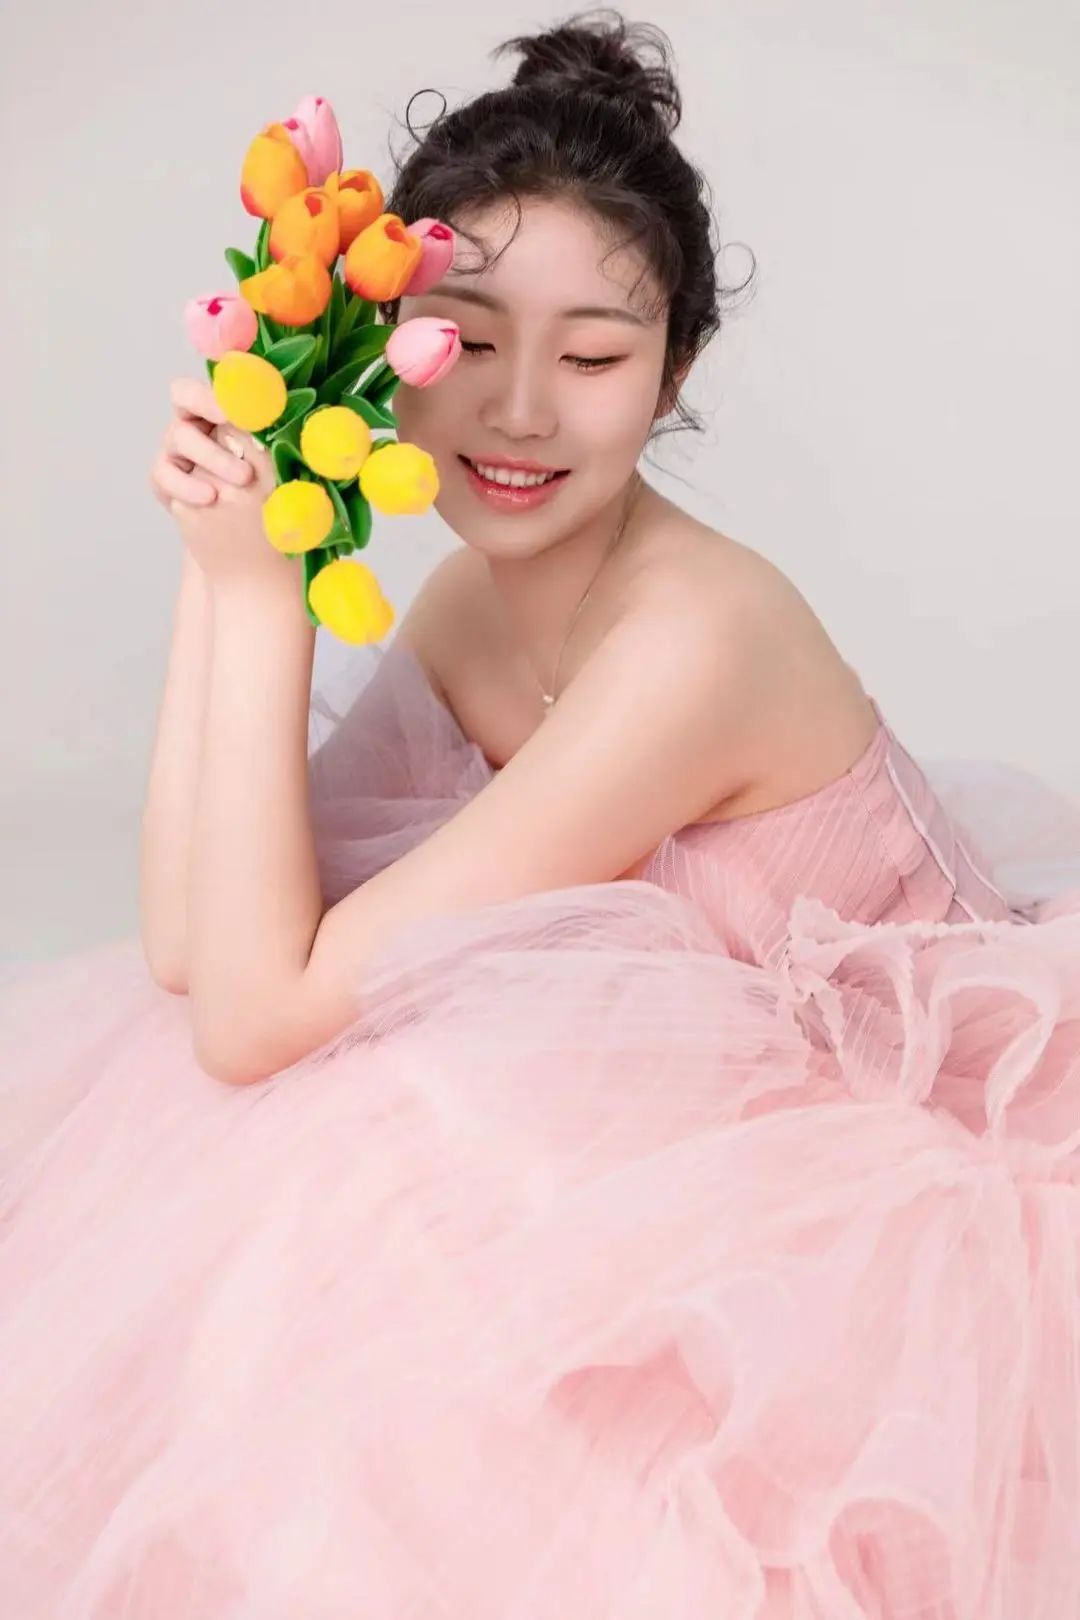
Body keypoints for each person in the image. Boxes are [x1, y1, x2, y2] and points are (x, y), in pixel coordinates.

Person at [2, 12, 1079, 1617]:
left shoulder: (694, 643)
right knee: (327, 1137)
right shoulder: (469, 607)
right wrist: (230, 567)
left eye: (590, 359)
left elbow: (257, 1014)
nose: (517, 415)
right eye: (467, 340)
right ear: (389, 345)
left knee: (377, 1149)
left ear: (673, 373)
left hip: (922, 1186)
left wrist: (273, 593)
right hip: (724, 1127)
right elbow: (197, 947)